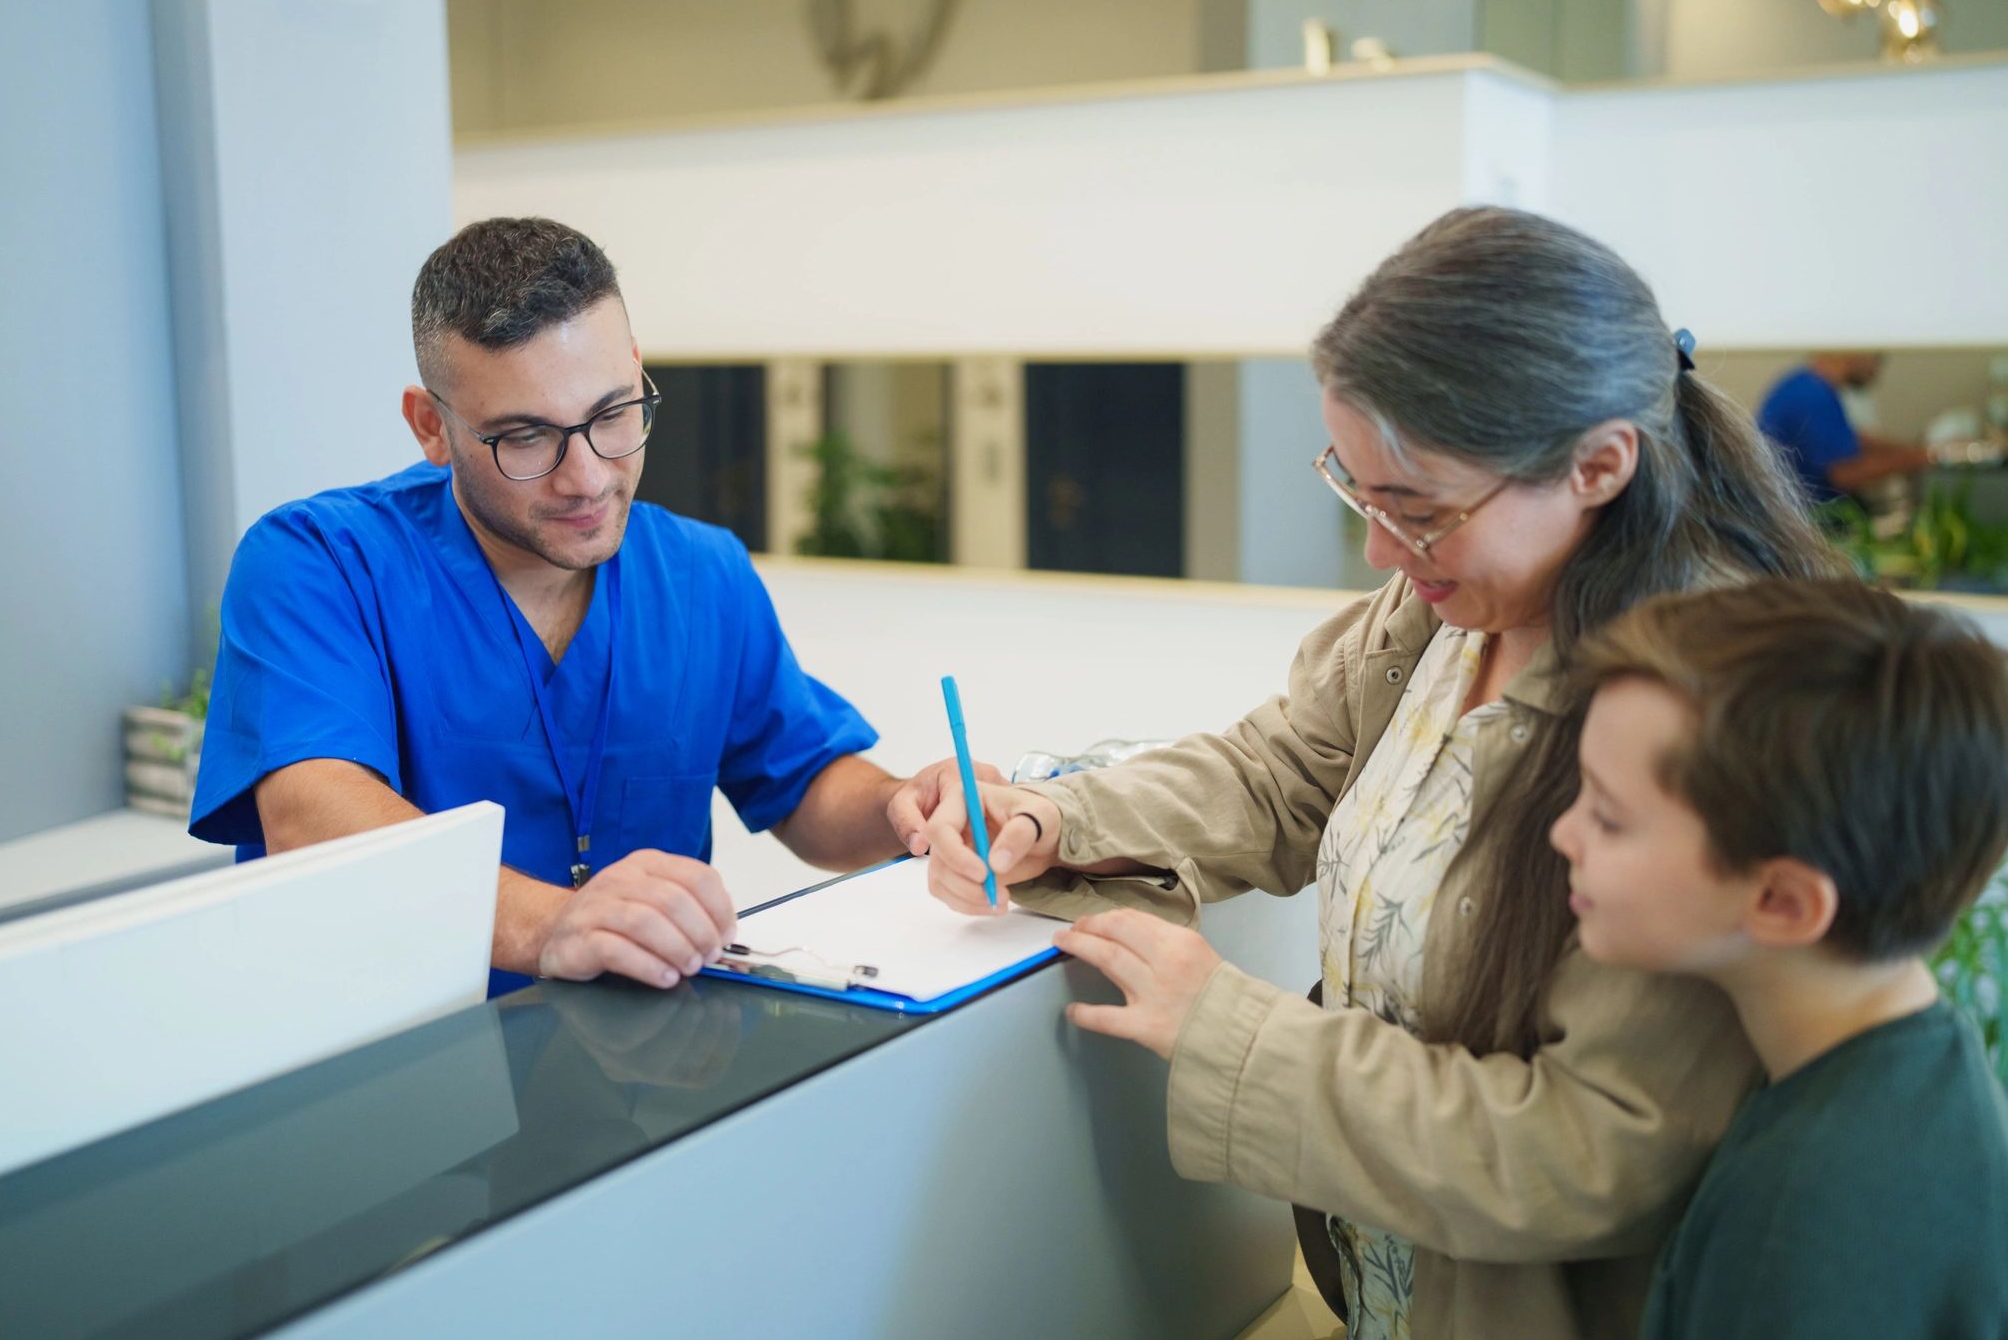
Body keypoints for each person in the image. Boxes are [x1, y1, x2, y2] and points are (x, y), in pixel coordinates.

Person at [887, 206, 1847, 1337]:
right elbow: (1289, 769)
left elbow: (1591, 1149)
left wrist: (1235, 1034)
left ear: (1598, 466)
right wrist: (1056, 817)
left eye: (1421, 512)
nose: (1382, 553)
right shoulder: (1454, 603)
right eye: (1360, 491)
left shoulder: (1708, 707)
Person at [192, 217, 982, 997]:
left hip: (635, 1075)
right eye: (526, 438)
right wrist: (549, 925)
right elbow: (310, 814)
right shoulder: (317, 563)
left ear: (637, 373)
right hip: (384, 1064)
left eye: (612, 415)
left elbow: (804, 782)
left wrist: (902, 810)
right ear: (432, 427)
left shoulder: (701, 574)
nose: (587, 478)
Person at [1554, 579, 2008, 1338]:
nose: (1563, 834)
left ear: (1781, 904)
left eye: (1606, 817)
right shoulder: (1922, 1066)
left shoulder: (1806, 1215)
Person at [1757, 352, 1936, 504]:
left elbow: (1849, 439)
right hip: (1813, 518)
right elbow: (1844, 473)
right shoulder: (1814, 396)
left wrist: (1914, 451)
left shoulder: (1803, 383)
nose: (1877, 372)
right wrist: (1922, 458)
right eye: (1877, 358)